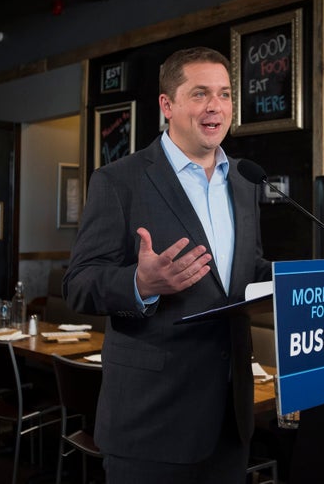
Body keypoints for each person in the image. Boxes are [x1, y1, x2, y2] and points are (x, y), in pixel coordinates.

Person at [63, 46, 273, 484]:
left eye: (225, 94)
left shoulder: (243, 181)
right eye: (199, 94)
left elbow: (245, 270)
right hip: (151, 420)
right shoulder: (118, 181)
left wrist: (298, 282)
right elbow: (78, 284)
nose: (215, 106)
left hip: (229, 421)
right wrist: (140, 282)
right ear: (167, 105)